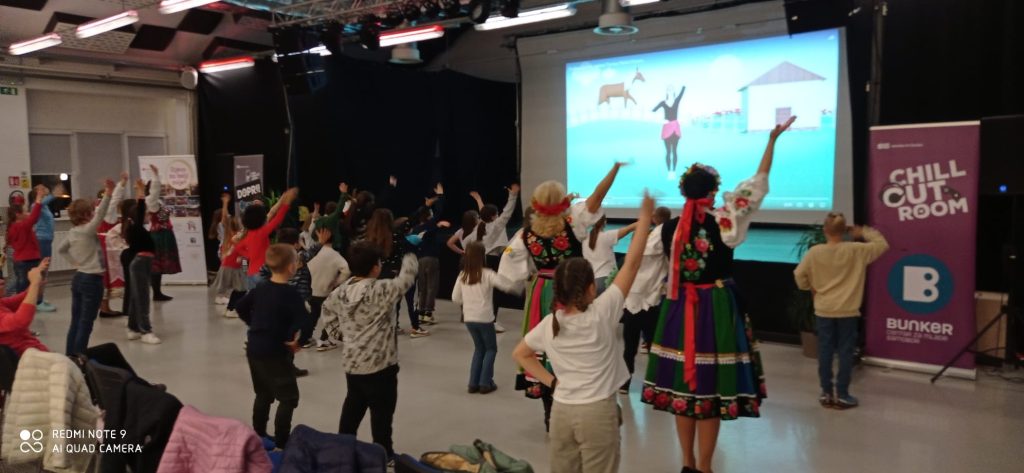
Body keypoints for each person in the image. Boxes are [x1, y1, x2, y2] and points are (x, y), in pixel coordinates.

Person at [643, 116, 795, 473]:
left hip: (679, 308)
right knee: (708, 389)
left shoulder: (666, 229)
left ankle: (687, 463)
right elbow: (758, 184)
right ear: (713, 192)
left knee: (684, 389)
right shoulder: (726, 218)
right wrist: (771, 141)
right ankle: (705, 466)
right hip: (716, 306)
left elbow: (646, 270)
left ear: (684, 192)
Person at [512, 192, 654, 473]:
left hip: (561, 412)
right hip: (597, 412)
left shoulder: (551, 322)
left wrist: (552, 383)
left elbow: (521, 353)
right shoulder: (604, 311)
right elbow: (632, 264)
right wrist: (646, 217)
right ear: (591, 288)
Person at [499, 161, 625, 431]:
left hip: (542, 290)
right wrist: (614, 169)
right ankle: (587, 399)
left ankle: (551, 412)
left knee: (544, 346)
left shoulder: (524, 235)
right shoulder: (573, 223)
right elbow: (597, 196)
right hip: (572, 286)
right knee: (580, 340)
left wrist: (525, 278)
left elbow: (509, 269)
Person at [321, 241, 418, 463]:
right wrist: (410, 256)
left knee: (352, 408)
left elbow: (327, 310)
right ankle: (383, 454)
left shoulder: (341, 291)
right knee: (381, 414)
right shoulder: (381, 289)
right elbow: (406, 279)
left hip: (353, 364)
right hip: (381, 367)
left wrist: (342, 336)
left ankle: (343, 449)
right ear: (375, 268)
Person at [794, 213, 889, 409]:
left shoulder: (814, 252)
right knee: (845, 352)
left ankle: (826, 393)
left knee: (825, 350)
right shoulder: (856, 250)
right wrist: (863, 231)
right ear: (845, 230)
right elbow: (882, 244)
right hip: (848, 311)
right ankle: (843, 394)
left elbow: (799, 274)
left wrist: (810, 288)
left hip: (824, 310)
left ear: (824, 230)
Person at [236, 244, 304, 449]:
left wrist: (253, 324)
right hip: (276, 351)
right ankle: (282, 441)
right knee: (288, 397)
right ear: (291, 267)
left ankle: (258, 435)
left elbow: (241, 306)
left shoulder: (260, 288)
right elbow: (303, 319)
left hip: (254, 348)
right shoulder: (291, 294)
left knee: (263, 393)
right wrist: (297, 341)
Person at [452, 241, 521, 394]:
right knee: (491, 349)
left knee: (479, 349)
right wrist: (518, 284)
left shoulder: (462, 275)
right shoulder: (488, 274)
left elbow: (455, 298)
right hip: (485, 318)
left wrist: (468, 302)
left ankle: (473, 383)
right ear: (482, 257)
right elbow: (506, 286)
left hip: (469, 319)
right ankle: (485, 383)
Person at [58, 178, 113, 355]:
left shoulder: (72, 232)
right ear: (86, 215)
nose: (94, 213)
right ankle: (80, 357)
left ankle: (70, 355)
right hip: (92, 281)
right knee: (86, 323)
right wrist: (108, 194)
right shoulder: (88, 230)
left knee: (76, 321)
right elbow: (101, 214)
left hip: (79, 278)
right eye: (91, 211)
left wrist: (75, 263)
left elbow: (61, 249)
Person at [620, 206, 671, 394]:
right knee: (652, 345)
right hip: (649, 302)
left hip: (639, 302)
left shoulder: (643, 249)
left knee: (631, 345)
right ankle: (656, 381)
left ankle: (626, 381)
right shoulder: (663, 249)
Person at [363, 207, 424, 338]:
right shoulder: (395, 234)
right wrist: (426, 206)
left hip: (378, 274)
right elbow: (411, 221)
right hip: (395, 273)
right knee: (400, 300)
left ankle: (389, 326)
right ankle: (408, 327)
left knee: (385, 303)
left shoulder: (370, 237)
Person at [122, 179, 162, 344]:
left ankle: (133, 328)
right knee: (143, 297)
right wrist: (140, 191)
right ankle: (146, 331)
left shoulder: (136, 228)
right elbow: (140, 207)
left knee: (136, 296)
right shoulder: (135, 227)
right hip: (140, 263)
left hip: (143, 263)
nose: (148, 216)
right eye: (146, 214)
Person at [307, 227, 350, 351]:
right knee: (330, 316)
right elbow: (347, 270)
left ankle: (306, 338)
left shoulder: (311, 253)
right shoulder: (335, 255)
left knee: (313, 315)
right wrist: (337, 282)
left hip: (310, 290)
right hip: (325, 291)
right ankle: (323, 340)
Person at [410, 184, 447, 326]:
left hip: (419, 260)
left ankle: (421, 312)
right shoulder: (430, 224)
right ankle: (428, 314)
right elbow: (440, 212)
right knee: (432, 286)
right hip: (431, 258)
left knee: (422, 287)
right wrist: (441, 196)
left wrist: (426, 205)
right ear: (428, 216)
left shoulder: (415, 228)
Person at [143, 164, 181, 302]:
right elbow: (155, 191)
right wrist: (156, 175)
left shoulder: (156, 202)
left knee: (159, 264)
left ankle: (157, 292)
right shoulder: (151, 201)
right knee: (156, 264)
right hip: (158, 236)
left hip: (163, 234)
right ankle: (156, 293)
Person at [0, 259, 50, 355]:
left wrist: (40, 274)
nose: (2, 281)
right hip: (27, 358)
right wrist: (35, 283)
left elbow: (27, 296)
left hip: (33, 352)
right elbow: (21, 321)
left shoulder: (2, 303)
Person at [98, 174, 129, 317]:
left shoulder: (99, 211)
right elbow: (114, 200)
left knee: (104, 277)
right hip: (106, 247)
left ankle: (105, 307)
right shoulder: (107, 213)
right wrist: (121, 184)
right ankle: (104, 308)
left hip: (101, 246)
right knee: (107, 276)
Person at [211, 193, 247, 313]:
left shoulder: (239, 236)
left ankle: (229, 302)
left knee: (237, 285)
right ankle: (226, 301)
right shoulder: (228, 235)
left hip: (234, 264)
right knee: (231, 284)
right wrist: (225, 203)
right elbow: (225, 218)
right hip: (230, 263)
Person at [583, 217, 638, 294]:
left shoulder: (584, 240)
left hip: (592, 283)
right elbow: (628, 229)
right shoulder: (606, 236)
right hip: (607, 280)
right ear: (604, 222)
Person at [6, 188, 44, 295]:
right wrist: (38, 199)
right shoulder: (22, 226)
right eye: (24, 211)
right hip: (27, 260)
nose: (27, 213)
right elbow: (34, 217)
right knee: (27, 288)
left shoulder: (13, 226)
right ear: (17, 214)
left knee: (21, 285)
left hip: (20, 260)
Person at [28, 184, 56, 312]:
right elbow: (44, 201)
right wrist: (53, 194)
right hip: (42, 241)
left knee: (44, 270)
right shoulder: (36, 205)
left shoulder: (43, 206)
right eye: (40, 188)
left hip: (46, 240)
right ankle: (38, 301)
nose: (44, 188)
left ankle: (39, 298)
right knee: (42, 270)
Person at [653, 85, 687, 180]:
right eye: (668, 89)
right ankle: (669, 171)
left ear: (673, 91)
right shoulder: (663, 103)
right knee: (668, 151)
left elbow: (682, 93)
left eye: (672, 89)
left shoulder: (676, 101)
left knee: (674, 151)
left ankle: (674, 171)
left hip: (675, 128)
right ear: (667, 92)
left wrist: (684, 85)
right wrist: (662, 120)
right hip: (667, 128)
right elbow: (653, 110)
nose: (670, 90)